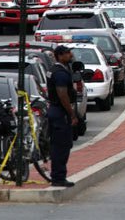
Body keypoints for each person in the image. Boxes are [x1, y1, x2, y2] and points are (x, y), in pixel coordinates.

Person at [47, 45, 78, 187]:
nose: (70, 54)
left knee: (59, 145)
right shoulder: (59, 73)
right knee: (61, 146)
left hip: (55, 110)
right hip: (59, 112)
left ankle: (58, 176)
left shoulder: (58, 70)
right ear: (60, 56)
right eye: (67, 53)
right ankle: (58, 177)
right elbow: (62, 94)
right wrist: (71, 114)